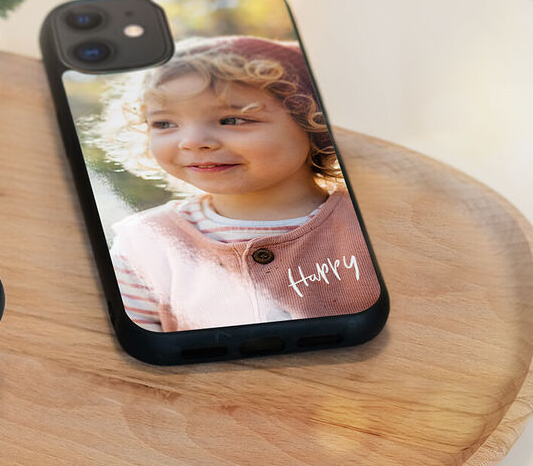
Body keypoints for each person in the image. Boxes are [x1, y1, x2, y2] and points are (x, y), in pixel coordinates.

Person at [96, 35, 382, 332]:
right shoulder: (146, 244)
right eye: (164, 123)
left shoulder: (373, 223)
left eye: (232, 120)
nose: (192, 141)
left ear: (316, 123)